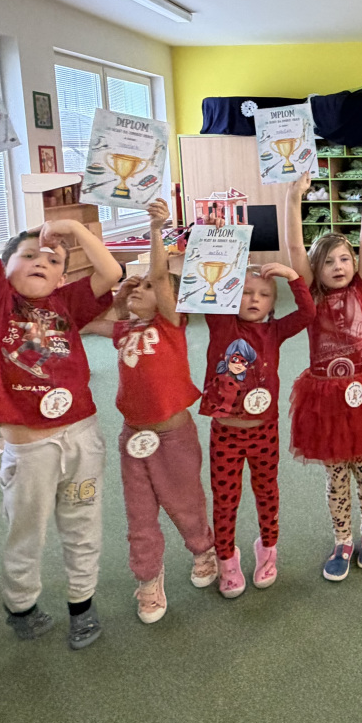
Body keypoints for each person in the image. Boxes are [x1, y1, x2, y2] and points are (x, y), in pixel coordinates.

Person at [0, 115, 122, 649]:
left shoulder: (67, 301)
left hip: (81, 436)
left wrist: (75, 231)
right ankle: (22, 605)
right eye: (29, 256)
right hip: (29, 447)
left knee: (83, 522)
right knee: (25, 531)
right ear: (3, 267)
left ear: (62, 275)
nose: (42, 262)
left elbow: (110, 275)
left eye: (53, 260)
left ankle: (82, 602)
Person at [83, 199, 215, 624]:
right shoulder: (123, 328)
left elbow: (160, 276)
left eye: (149, 288)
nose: (141, 288)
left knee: (185, 502)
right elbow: (84, 324)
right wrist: (121, 302)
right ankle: (148, 578)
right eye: (135, 285)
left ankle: (203, 549)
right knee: (139, 515)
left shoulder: (171, 325)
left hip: (174, 436)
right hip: (133, 438)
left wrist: (156, 230)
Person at [284, 161, 362, 582]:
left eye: (345, 259)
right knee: (335, 475)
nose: (339, 266)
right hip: (326, 397)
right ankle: (343, 539)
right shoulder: (311, 295)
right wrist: (293, 197)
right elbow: (296, 251)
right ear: (317, 269)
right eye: (329, 261)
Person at [197, 254, 314, 598]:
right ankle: (226, 559)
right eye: (246, 292)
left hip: (264, 431)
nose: (253, 299)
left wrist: (292, 276)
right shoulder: (222, 325)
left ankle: (268, 548)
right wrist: (224, 255)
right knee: (225, 500)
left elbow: (308, 313)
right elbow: (210, 286)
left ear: (272, 305)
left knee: (267, 492)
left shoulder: (274, 331)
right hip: (226, 433)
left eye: (263, 295)